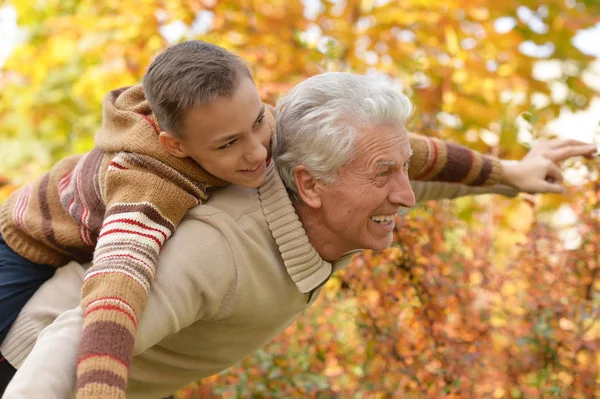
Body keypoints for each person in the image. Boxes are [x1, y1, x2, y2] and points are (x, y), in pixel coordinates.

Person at [1, 72, 596, 399]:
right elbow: (82, 329)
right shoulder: (220, 247)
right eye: (383, 175)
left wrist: (510, 175)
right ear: (309, 186)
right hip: (34, 369)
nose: (405, 195)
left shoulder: (323, 178)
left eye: (399, 171)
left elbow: (419, 165)